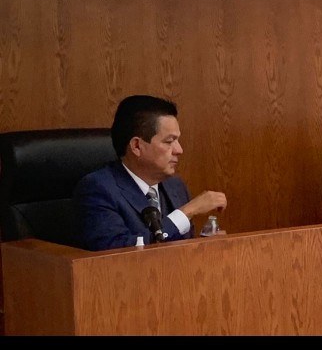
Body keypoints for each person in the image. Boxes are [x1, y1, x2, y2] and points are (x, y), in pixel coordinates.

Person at [73, 94, 227, 251]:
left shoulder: (175, 186)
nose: (179, 150)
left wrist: (203, 246)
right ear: (137, 146)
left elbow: (176, 249)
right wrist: (186, 212)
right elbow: (118, 251)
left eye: (177, 141)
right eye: (169, 141)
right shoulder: (98, 189)